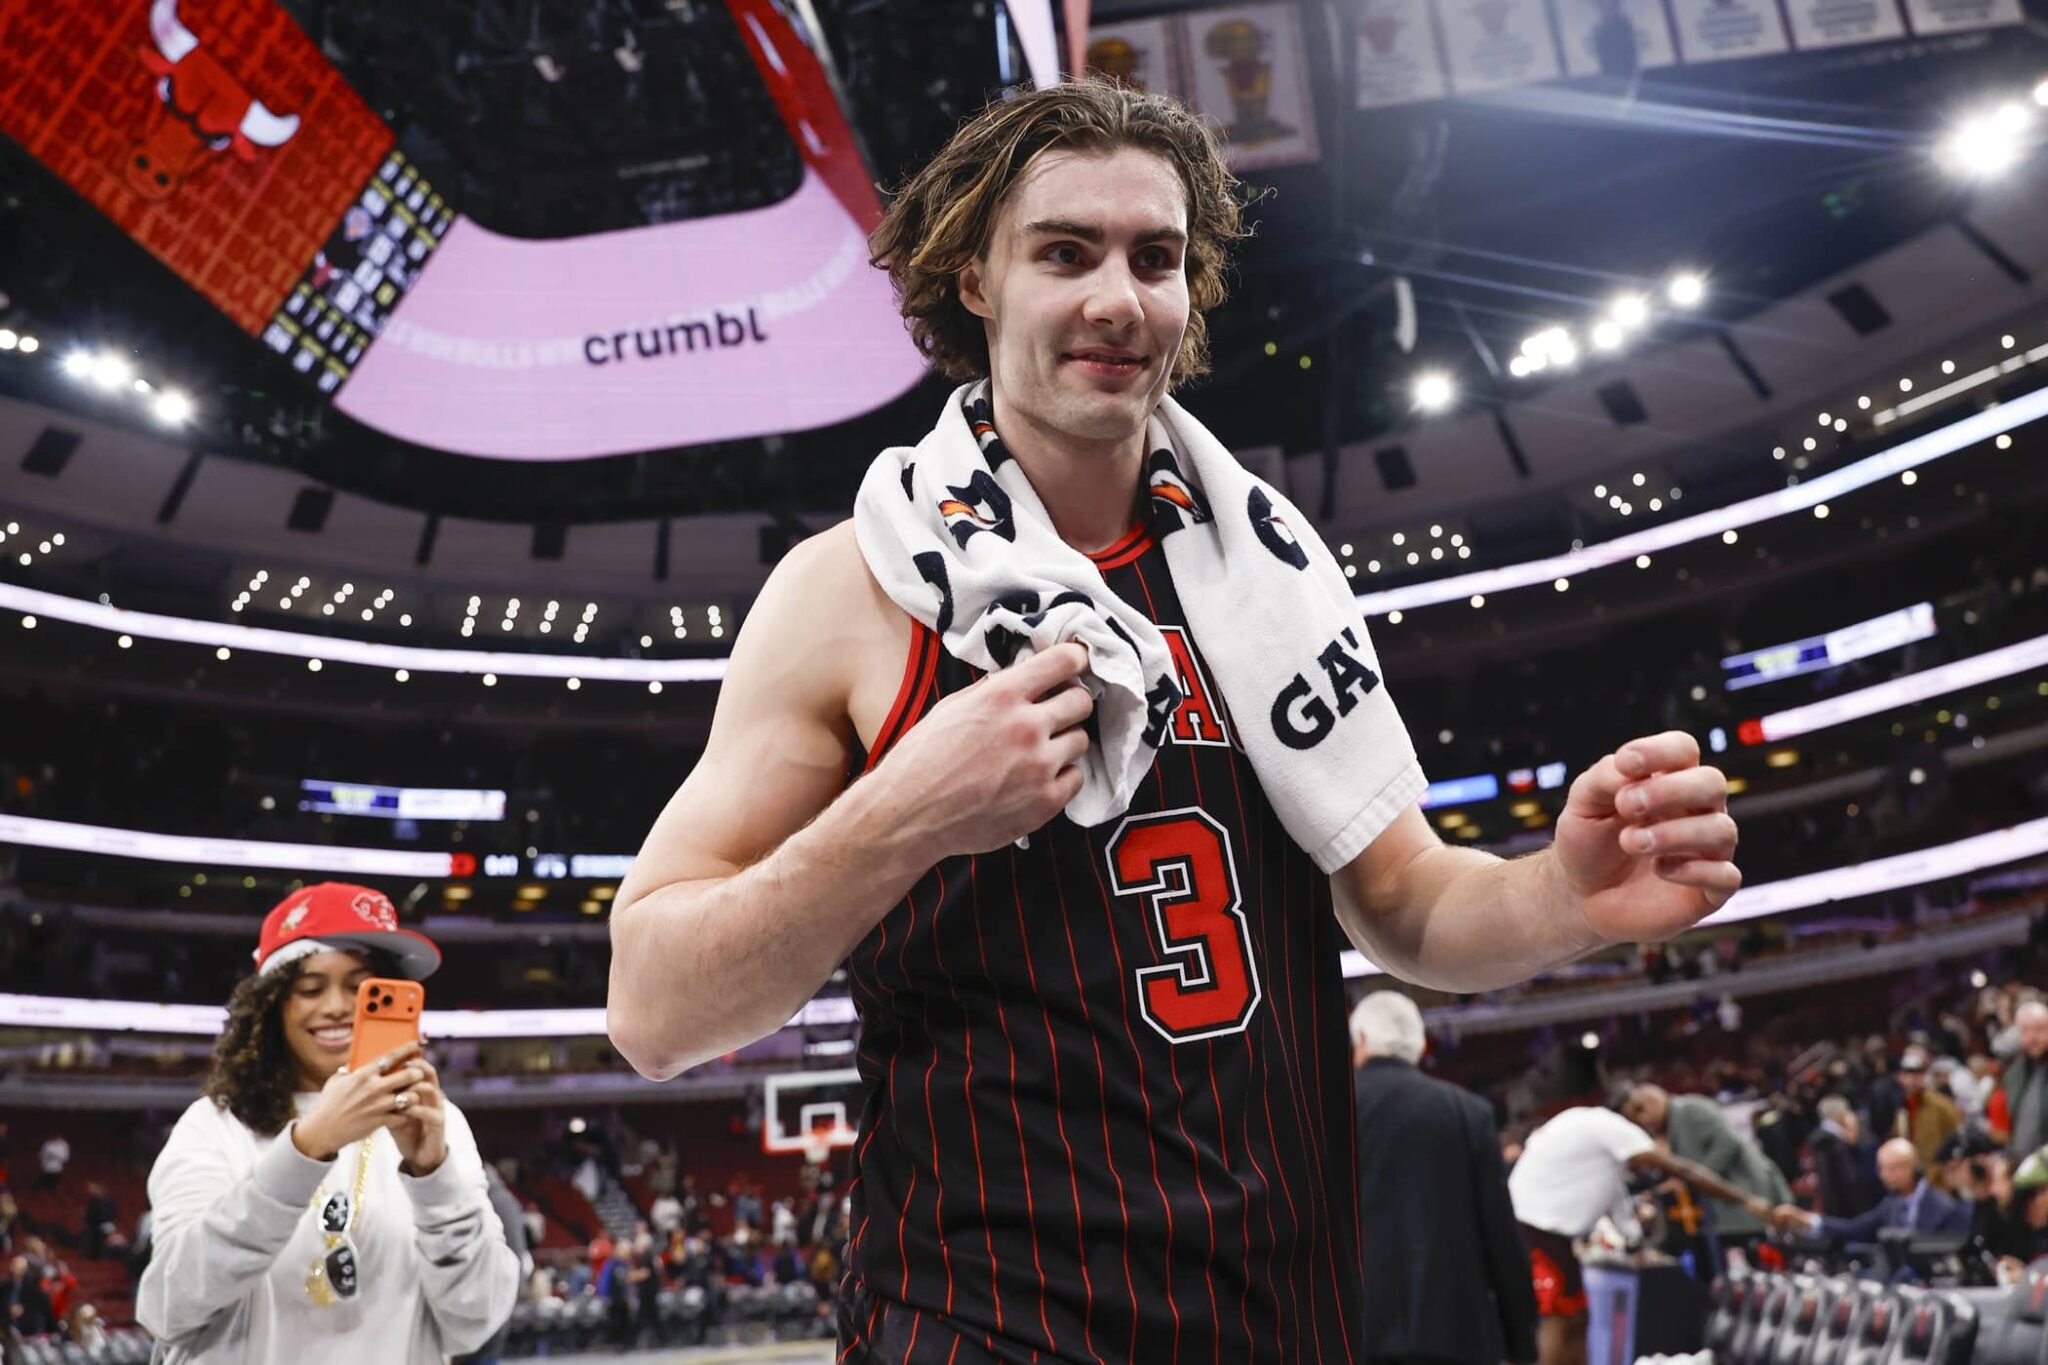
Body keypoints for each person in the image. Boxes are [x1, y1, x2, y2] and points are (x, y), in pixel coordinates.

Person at [607, 77, 1744, 1363]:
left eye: (1155, 257)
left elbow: (1408, 902)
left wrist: (1565, 895)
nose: (1117, 299)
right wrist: (904, 813)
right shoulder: (851, 590)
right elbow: (651, 1007)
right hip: (980, 1322)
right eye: (1063, 253)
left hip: (1280, 1316)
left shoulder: (1266, 570)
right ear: (972, 279)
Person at [135, 882, 521, 1363]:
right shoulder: (213, 1127)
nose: (338, 1006)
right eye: (310, 989)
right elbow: (168, 1305)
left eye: (362, 987)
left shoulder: (436, 1121)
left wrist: (434, 1177)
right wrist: (307, 1147)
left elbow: (479, 1318)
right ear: (271, 1006)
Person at [1508, 1106, 1797, 1365]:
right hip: (1537, 1234)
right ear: (1636, 1115)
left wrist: (1633, 1242)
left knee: (1578, 1318)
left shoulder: (1588, 1137)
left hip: (1547, 1236)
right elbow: (1685, 1171)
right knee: (1558, 1318)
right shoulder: (1607, 1124)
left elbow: (1616, 1205)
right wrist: (1750, 1202)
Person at [1349, 991, 1536, 1365]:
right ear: (1418, 1047)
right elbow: (1498, 1232)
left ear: (1362, 1041)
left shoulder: (1325, 1113)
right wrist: (1522, 1344)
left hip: (1357, 1333)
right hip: (1457, 1334)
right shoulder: (1468, 1112)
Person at [1617, 1082, 1793, 1253]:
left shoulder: (1691, 1109)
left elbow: (1728, 1143)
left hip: (1749, 1191)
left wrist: (1701, 1177)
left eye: (1639, 1115)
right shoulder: (1671, 1124)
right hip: (1727, 1206)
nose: (1642, 1122)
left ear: (1651, 1103)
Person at [1781, 1137, 1972, 1245]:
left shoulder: (1944, 1206)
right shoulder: (1889, 1204)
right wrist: (1804, 1219)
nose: (1885, 1175)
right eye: (1882, 1168)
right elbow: (1853, 1228)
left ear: (1913, 1168)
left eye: (1892, 1168)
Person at [1893, 1046, 1964, 1185]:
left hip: (1941, 1182)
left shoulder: (1942, 1106)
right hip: (1915, 1181)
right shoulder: (1902, 1109)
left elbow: (1959, 1139)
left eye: (1918, 1073)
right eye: (1908, 1073)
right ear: (1900, 1077)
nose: (1913, 1079)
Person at [1808, 1095, 1875, 1218]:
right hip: (1848, 1214)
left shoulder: (1822, 1141)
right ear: (1842, 1115)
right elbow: (1852, 1182)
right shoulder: (1835, 1145)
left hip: (1833, 1212)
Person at [2002, 1002, 2048, 1158]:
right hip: (2027, 1166)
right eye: (2025, 1030)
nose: (2032, 1037)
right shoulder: (2014, 1074)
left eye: (2039, 1029)